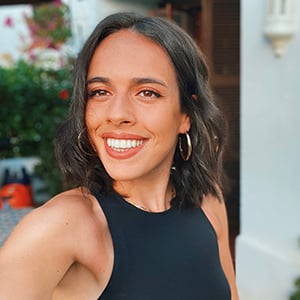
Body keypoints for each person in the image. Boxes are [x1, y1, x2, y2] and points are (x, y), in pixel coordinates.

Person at [0, 12, 239, 299]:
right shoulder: (59, 227)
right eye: (100, 92)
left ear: (185, 115)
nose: (117, 114)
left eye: (147, 93)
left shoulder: (209, 203)